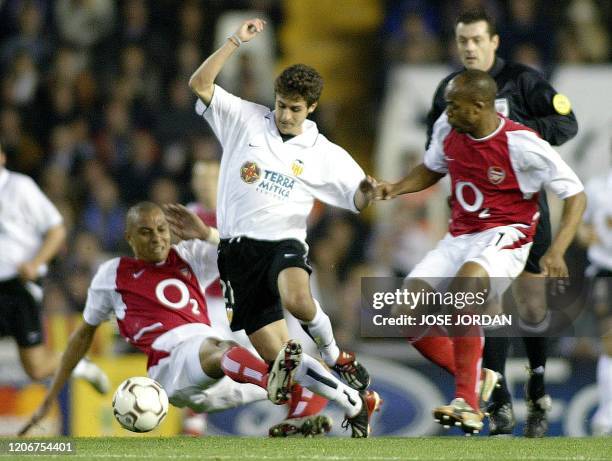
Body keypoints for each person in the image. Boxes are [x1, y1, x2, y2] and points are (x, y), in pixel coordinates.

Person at [188, 18, 380, 437]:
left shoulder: (324, 152)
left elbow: (358, 195)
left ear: (311, 108)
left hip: (284, 241)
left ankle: (337, 356)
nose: (285, 114)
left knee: (297, 297)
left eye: (295, 108)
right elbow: (200, 83)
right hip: (237, 252)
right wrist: (235, 41)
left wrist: (370, 190)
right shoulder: (244, 118)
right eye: (281, 105)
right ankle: (352, 400)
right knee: (279, 362)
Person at [376, 69, 585, 434]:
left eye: (455, 106)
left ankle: (468, 403)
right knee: (404, 312)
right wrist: (395, 188)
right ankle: (479, 378)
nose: (447, 112)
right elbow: (432, 168)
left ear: (479, 106)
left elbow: (575, 194)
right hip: (460, 236)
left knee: (463, 293)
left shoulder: (522, 143)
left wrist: (556, 250)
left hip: (507, 234)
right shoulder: (448, 126)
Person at [423, 9, 579, 437]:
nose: (469, 48)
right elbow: (434, 151)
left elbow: (567, 123)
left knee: (530, 306)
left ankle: (538, 384)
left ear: (494, 42)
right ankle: (498, 397)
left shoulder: (525, 81)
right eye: (462, 41)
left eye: (477, 39)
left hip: (524, 211)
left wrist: (509, 132)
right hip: (473, 216)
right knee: (485, 304)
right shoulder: (450, 90)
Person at [19, 202, 271, 436]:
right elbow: (83, 335)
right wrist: (50, 396)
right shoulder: (114, 274)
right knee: (225, 348)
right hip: (170, 365)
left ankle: (301, 413)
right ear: (129, 237)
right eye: (145, 232)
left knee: (294, 370)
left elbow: (250, 257)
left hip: (212, 377)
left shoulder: (188, 256)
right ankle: (270, 379)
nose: (156, 238)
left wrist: (206, 233)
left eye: (162, 229)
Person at [187, 159, 331, 437]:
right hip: (214, 304)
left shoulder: (241, 210)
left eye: (210, 177)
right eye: (199, 178)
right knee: (202, 363)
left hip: (257, 299)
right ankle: (194, 425)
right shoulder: (186, 215)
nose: (204, 184)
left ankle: (300, 416)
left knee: (294, 359)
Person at [0, 142, 108, 394]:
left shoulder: (19, 187)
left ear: (2, 157)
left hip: (18, 285)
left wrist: (35, 263)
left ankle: (77, 364)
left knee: (35, 368)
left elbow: (57, 230)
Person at [577, 168, 612, 435]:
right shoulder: (597, 186)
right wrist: (584, 235)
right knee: (610, 341)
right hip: (605, 269)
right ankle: (606, 414)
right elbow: (581, 225)